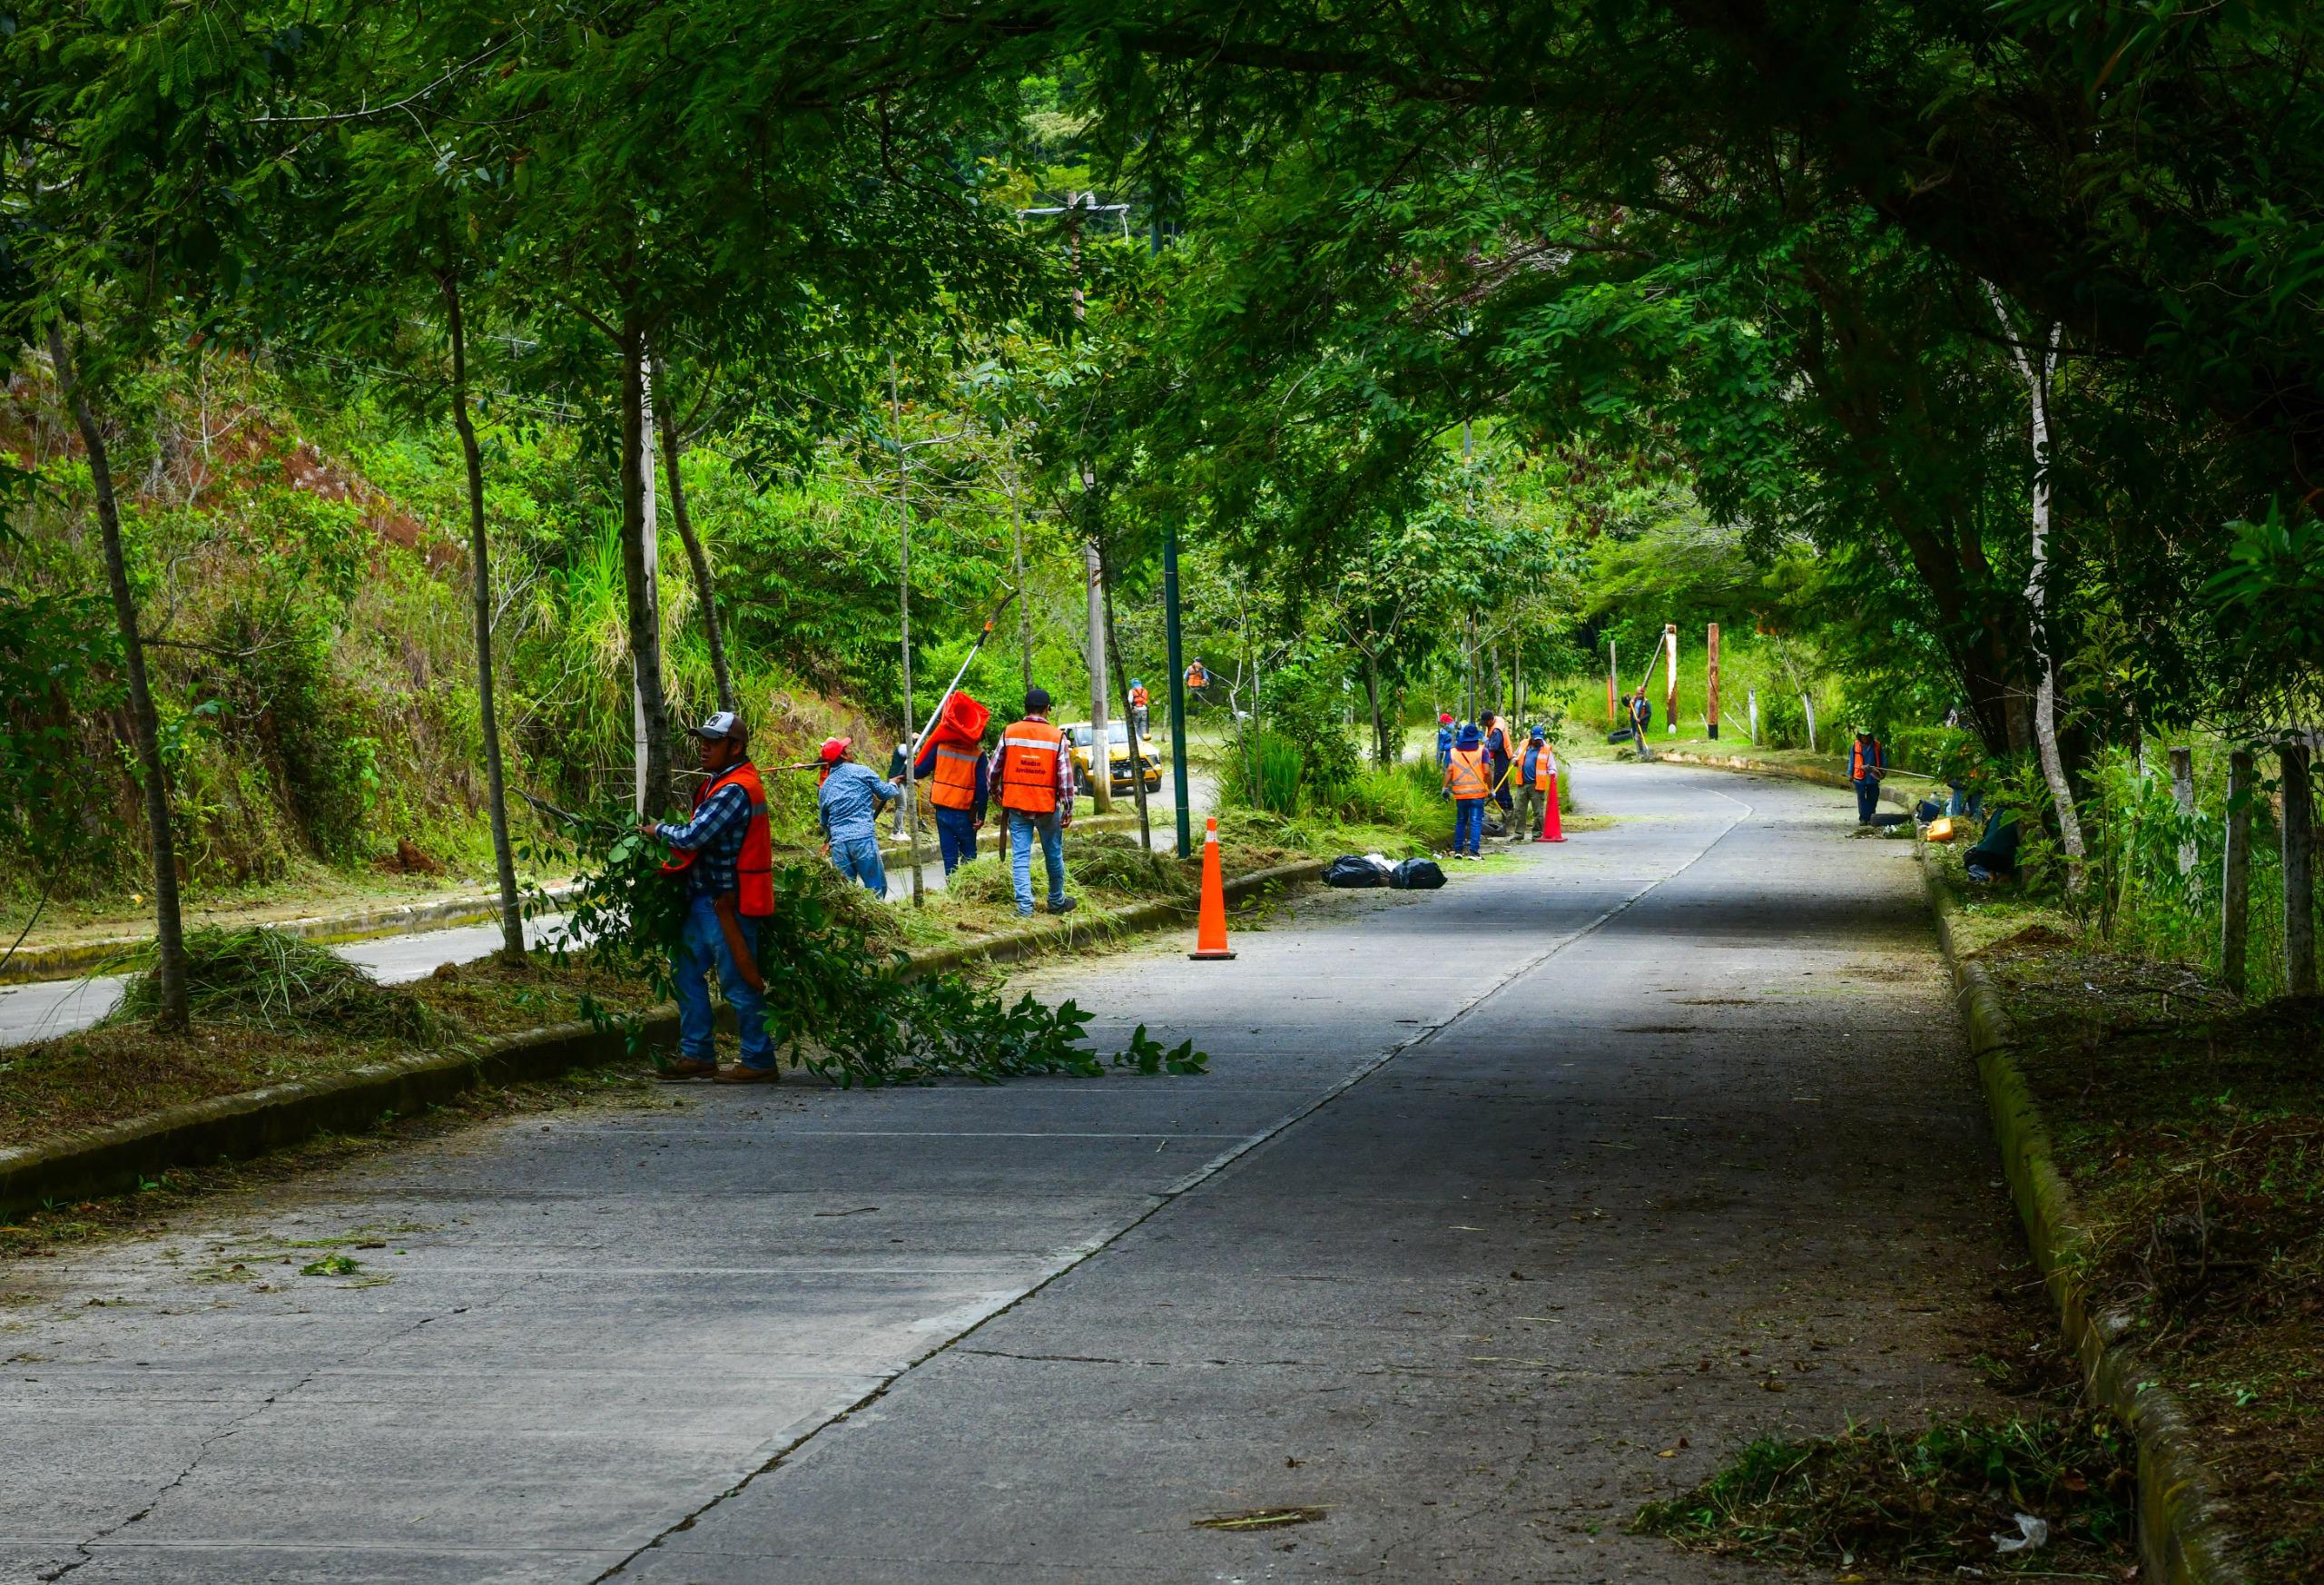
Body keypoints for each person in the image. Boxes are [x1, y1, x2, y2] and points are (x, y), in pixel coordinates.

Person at [643, 711, 777, 1083]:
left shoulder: (735, 789)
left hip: (728, 905)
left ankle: (759, 1060)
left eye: (714, 741)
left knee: (739, 981)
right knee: (684, 971)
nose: (704, 747)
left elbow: (692, 837)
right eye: (703, 739)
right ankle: (698, 1054)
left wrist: (657, 831)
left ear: (736, 747)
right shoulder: (724, 782)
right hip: (705, 901)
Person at [997, 686, 1078, 918]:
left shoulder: (1010, 732)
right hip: (1046, 807)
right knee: (1053, 854)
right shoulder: (1056, 736)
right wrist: (1068, 808)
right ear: (1047, 710)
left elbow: (994, 768)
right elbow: (1064, 777)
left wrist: (995, 791)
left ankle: (1024, 908)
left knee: (1020, 857)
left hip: (1017, 806)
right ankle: (1056, 901)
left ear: (1025, 708)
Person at [818, 735, 898, 893]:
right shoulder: (861, 771)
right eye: (846, 749)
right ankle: (876, 915)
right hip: (862, 839)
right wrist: (893, 783)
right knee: (876, 889)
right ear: (843, 755)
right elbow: (885, 793)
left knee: (846, 894)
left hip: (839, 844)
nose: (850, 750)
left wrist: (832, 834)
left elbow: (824, 821)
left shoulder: (825, 787)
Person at [913, 722, 990, 876]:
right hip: (964, 812)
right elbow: (983, 788)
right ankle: (965, 890)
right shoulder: (978, 754)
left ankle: (952, 892)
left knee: (949, 857)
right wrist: (981, 815)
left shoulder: (941, 747)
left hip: (942, 811)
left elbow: (920, 772)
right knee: (968, 853)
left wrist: (906, 768)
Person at [1443, 722, 1491, 858]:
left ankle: (1458, 850)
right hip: (1477, 794)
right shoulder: (1483, 751)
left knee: (1461, 821)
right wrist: (1491, 789)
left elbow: (1449, 771)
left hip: (1461, 794)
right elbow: (1487, 771)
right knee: (1476, 822)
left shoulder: (1453, 752)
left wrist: (1444, 788)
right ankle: (1473, 852)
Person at [1517, 726, 1556, 841]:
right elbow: (1516, 756)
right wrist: (1515, 760)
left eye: (1540, 739)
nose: (1538, 741)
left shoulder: (1546, 749)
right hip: (1522, 784)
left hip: (1537, 786)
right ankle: (1519, 834)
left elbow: (1552, 767)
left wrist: (1553, 775)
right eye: (1536, 739)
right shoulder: (1523, 744)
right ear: (1531, 737)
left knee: (1538, 812)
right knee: (1519, 810)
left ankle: (1537, 834)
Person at [1849, 724, 1886, 825]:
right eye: (1863, 736)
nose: (1865, 738)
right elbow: (1852, 760)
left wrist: (1883, 771)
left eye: (1867, 736)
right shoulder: (1855, 745)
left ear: (1870, 736)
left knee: (1873, 797)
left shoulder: (1877, 745)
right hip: (1859, 776)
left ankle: (1871, 816)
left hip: (1873, 776)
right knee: (1861, 797)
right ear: (1860, 737)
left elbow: (1883, 759)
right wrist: (1850, 773)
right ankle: (1863, 818)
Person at [1481, 712, 1514, 816]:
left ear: (1490, 720)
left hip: (1503, 754)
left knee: (1499, 779)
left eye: (1486, 723)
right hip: (1502, 752)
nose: (1485, 725)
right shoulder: (1498, 719)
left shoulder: (1496, 730)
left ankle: (1501, 805)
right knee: (1503, 780)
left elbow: (1493, 746)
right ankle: (1508, 804)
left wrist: (1485, 741)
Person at [1128, 679, 1150, 743]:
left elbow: (1130, 701)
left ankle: (1136, 741)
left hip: (1136, 709)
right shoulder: (1145, 690)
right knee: (1143, 725)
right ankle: (1144, 740)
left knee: (1135, 725)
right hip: (1144, 710)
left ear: (1132, 684)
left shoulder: (1132, 691)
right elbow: (1145, 700)